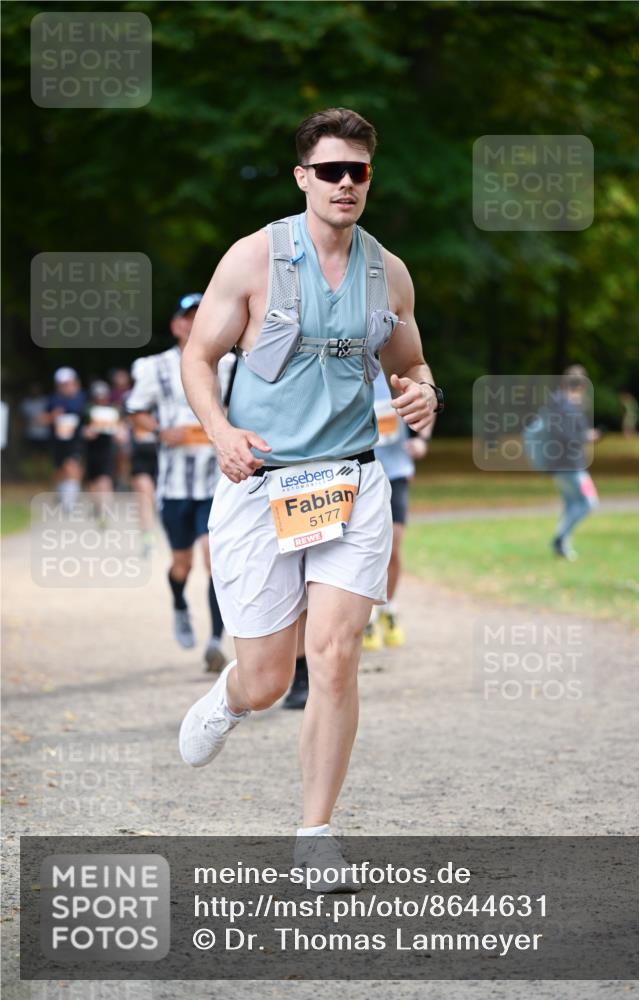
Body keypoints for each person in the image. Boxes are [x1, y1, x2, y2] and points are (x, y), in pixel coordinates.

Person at [177, 107, 444, 870]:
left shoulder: (386, 271)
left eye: (357, 170)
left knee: (332, 656)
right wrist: (221, 432)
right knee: (267, 678)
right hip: (263, 484)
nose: (345, 184)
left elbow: (411, 363)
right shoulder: (253, 260)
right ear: (302, 177)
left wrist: (422, 392)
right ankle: (231, 699)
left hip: (352, 480)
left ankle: (315, 834)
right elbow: (199, 358)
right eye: (330, 170)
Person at [125, 294, 237, 673]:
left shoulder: (232, 364)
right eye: (187, 318)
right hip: (173, 484)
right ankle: (179, 604)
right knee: (181, 564)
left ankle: (216, 641)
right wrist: (160, 431)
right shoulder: (153, 367)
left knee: (215, 561)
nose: (194, 324)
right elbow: (136, 413)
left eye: (202, 316)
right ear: (176, 325)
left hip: (216, 479)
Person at [363, 369, 434, 651]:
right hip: (357, 473)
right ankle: (365, 615)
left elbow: (428, 399)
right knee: (364, 550)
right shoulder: (343, 363)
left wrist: (422, 440)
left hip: (396, 469)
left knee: (393, 548)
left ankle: (387, 610)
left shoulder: (394, 366)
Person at [549, 365, 599, 561]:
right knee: (588, 503)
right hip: (572, 465)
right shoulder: (569, 407)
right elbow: (569, 435)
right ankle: (560, 538)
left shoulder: (556, 403)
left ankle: (562, 543)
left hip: (557, 464)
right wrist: (587, 436)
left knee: (570, 504)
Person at [42, 367, 87, 514]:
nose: (67, 387)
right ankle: (63, 495)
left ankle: (70, 504)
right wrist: (52, 417)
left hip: (76, 441)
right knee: (60, 471)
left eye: (69, 383)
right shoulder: (52, 400)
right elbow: (42, 419)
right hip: (58, 442)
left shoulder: (82, 399)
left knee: (72, 466)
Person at [127, 357, 159, 557]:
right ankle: (147, 537)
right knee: (144, 495)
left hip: (162, 455)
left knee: (155, 498)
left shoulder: (163, 396)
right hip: (140, 455)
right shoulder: (131, 400)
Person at [82, 380, 125, 524]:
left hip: (107, 449)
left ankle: (105, 510)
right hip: (91, 449)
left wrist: (119, 434)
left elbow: (120, 430)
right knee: (93, 481)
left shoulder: (113, 411)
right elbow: (82, 430)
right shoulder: (87, 411)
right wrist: (88, 431)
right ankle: (97, 506)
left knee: (105, 478)